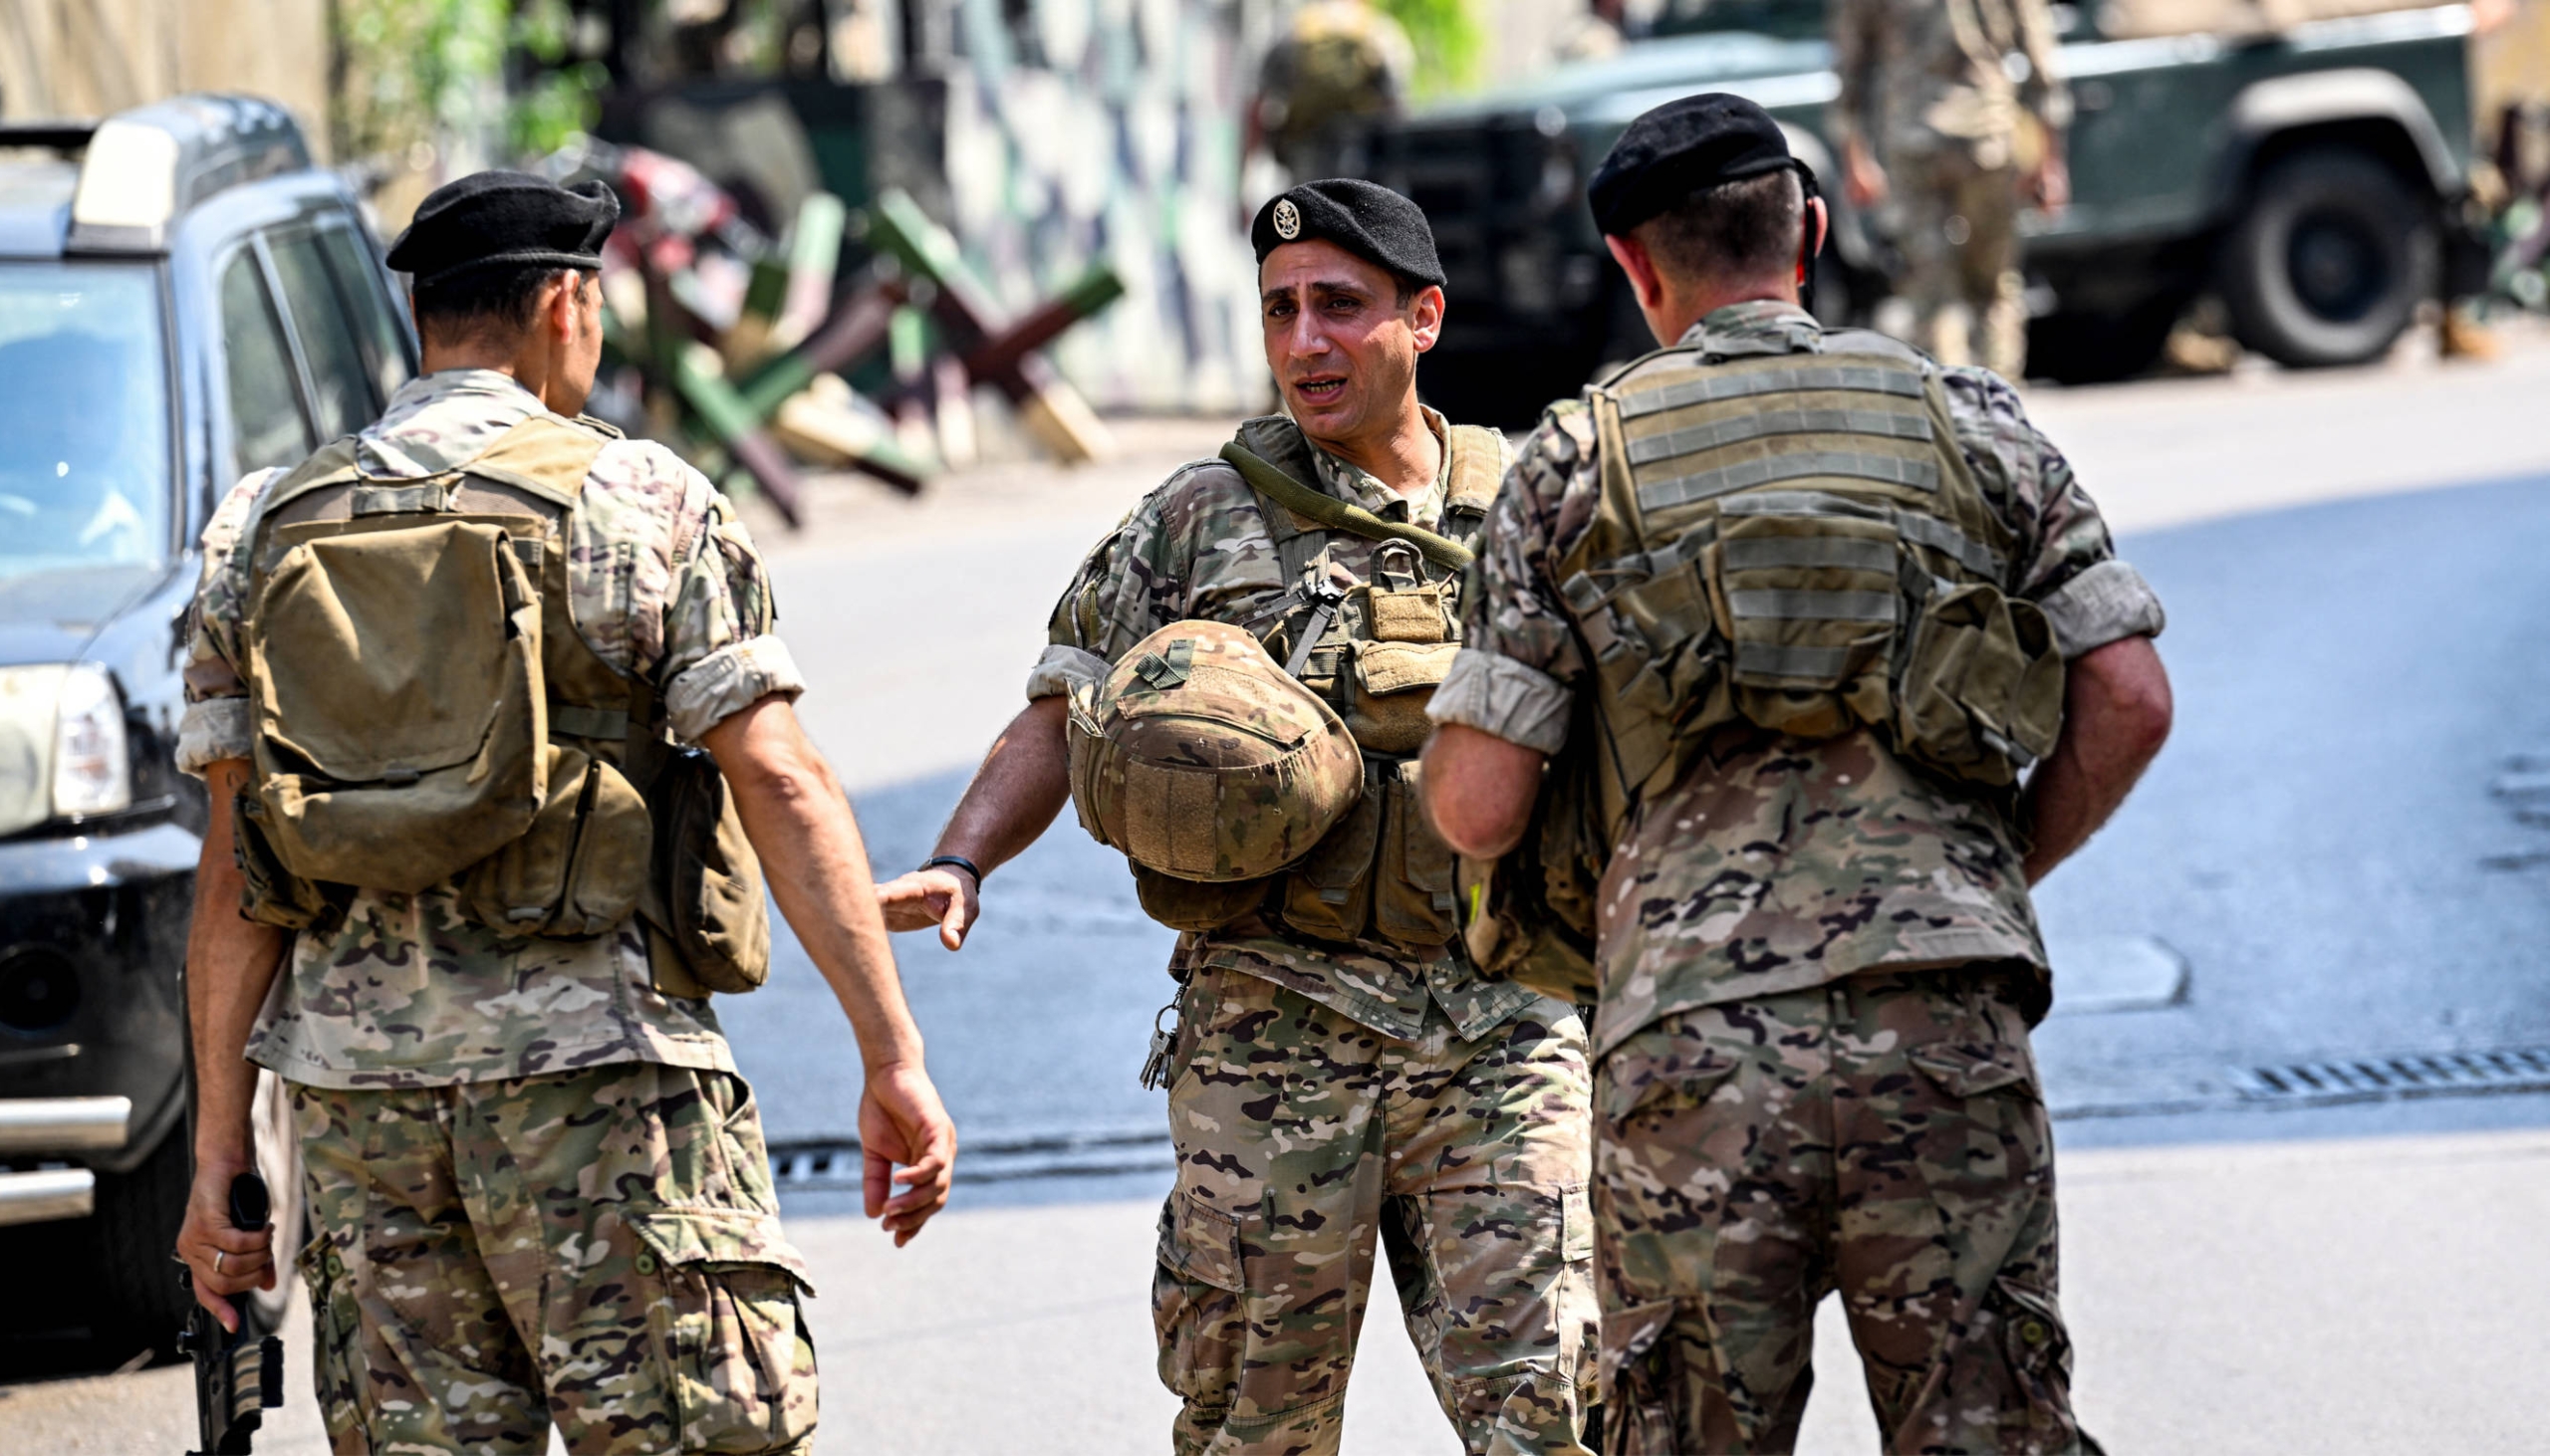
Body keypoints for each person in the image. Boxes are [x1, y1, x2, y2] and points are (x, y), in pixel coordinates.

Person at [1419, 95, 2171, 1453]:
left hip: (1687, 1046)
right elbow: (2130, 692)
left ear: (1635, 268)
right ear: (1813, 234)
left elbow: (1478, 802)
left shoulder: (1573, 463)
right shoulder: (1968, 420)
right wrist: (1993, 868)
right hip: (1944, 1021)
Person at [172, 171, 956, 1455]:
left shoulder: (262, 530)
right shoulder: (634, 501)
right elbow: (779, 777)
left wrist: (219, 1153)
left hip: (365, 1125)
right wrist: (891, 1055)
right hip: (601, 1099)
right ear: (565, 304)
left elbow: (235, 871)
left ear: (422, 316)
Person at [875, 179, 1599, 1455]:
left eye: (1339, 305)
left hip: (1501, 1024)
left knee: (1559, 1408)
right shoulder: (1196, 517)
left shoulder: (1534, 505)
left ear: (1421, 317)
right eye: (1279, 311)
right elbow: (1061, 699)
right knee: (1250, 1424)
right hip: (1272, 1041)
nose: (1305, 341)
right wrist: (961, 855)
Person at [1834, 0, 2072, 377]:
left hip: (1914, 142)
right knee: (1992, 289)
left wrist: (1856, 158)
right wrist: (2049, 159)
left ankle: (1950, 403)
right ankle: (1998, 400)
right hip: (1987, 139)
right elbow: (2042, 68)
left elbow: (1850, 69)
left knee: (1930, 290)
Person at [1249, 0, 1416, 182]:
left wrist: (1250, 168)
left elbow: (1260, 102)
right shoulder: (1379, 32)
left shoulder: (1296, 31)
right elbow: (1396, 105)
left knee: (1306, 204)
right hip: (1360, 148)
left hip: (1305, 148)